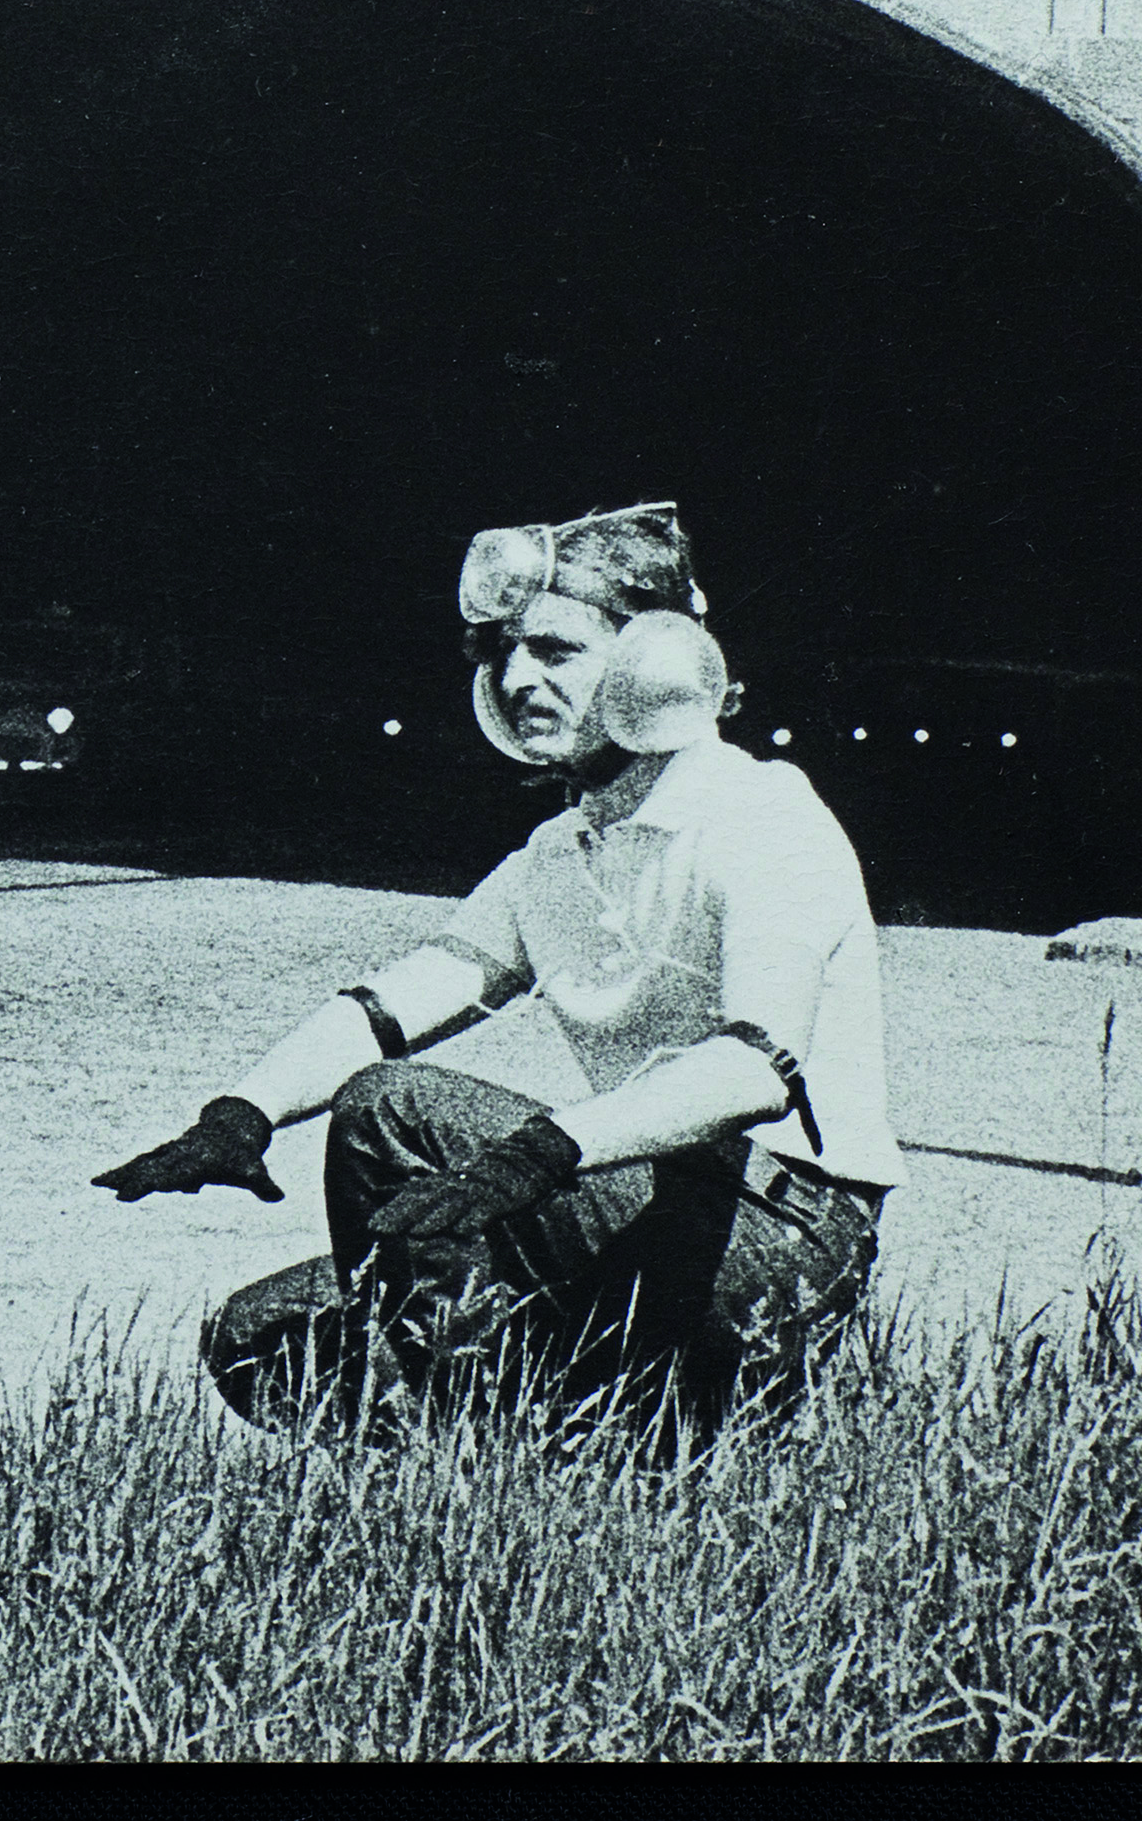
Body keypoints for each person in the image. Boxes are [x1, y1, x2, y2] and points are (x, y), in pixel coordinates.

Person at [93, 503, 904, 1446]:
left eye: (556, 649)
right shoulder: (558, 850)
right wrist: (242, 1112)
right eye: (500, 652)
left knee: (391, 1108)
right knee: (262, 1337)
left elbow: (754, 1069)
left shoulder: (760, 813)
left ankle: (461, 1470)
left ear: (663, 659)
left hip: (782, 1235)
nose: (516, 677)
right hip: (643, 1213)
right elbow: (413, 989)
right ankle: (568, 1458)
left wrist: (536, 1155)